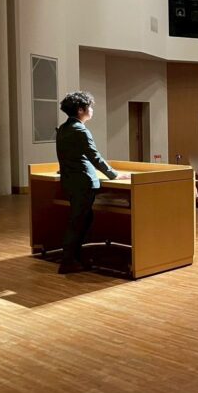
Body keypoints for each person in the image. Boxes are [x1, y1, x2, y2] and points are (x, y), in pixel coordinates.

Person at [56, 92, 129, 274]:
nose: (92, 110)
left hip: (70, 180)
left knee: (79, 219)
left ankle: (74, 258)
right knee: (79, 221)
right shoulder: (80, 130)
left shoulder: (63, 128)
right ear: (81, 110)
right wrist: (113, 174)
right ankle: (68, 261)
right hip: (83, 181)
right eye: (90, 107)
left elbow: (66, 155)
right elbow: (94, 157)